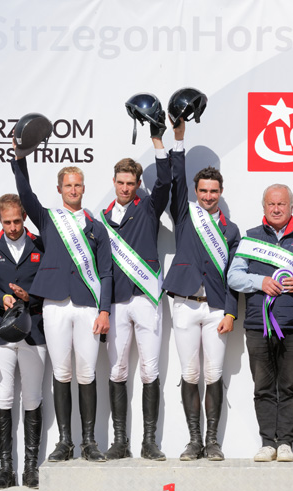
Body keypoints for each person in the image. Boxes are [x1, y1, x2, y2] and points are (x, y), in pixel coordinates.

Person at [11, 142, 113, 462]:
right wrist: (19, 158)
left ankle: (89, 442)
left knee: (87, 373)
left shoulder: (97, 229)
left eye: (77, 185)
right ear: (59, 189)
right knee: (62, 372)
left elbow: (106, 273)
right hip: (55, 304)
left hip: (87, 306)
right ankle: (65, 441)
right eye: (68, 185)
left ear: (83, 188)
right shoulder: (48, 219)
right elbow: (25, 193)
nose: (73, 190)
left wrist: (105, 311)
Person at [227, 184, 293, 462]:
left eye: (281, 204)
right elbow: (234, 277)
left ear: (291, 207)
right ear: (264, 207)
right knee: (262, 387)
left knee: (289, 387)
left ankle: (285, 443)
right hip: (257, 325)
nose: (276, 209)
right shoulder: (250, 238)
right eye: (271, 204)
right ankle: (267, 443)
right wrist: (259, 281)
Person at [163, 121, 241, 461]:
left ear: (220, 192)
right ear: (196, 192)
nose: (208, 196)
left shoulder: (231, 230)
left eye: (214, 191)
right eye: (203, 191)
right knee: (190, 374)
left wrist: (231, 311)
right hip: (184, 305)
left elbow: (236, 276)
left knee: (214, 374)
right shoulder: (185, 216)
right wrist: (178, 140)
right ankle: (194, 440)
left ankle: (213, 442)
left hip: (216, 309)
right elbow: (176, 181)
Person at [100, 125, 174, 461]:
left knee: (149, 370)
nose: (126, 188)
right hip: (116, 301)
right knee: (117, 371)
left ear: (137, 184)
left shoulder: (147, 207)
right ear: (114, 182)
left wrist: (158, 141)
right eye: (121, 183)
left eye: (131, 183)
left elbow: (165, 181)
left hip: (145, 297)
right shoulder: (102, 218)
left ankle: (149, 442)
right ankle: (120, 442)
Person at [0, 195, 46, 488]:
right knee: (3, 397)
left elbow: (50, 284)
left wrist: (30, 297)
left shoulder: (41, 243)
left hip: (35, 330)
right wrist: (2, 297)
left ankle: (31, 468)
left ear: (25, 217)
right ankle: (6, 469)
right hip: (1, 331)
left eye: (17, 221)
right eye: (7, 222)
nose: (13, 227)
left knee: (32, 397)